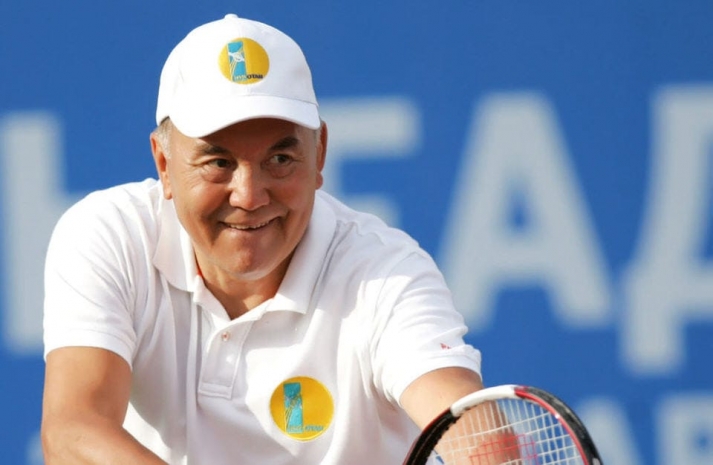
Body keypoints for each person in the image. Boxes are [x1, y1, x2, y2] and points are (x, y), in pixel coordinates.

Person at [41, 13, 484, 465]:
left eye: (280, 159)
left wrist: (490, 452)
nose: (249, 196)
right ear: (164, 164)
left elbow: (474, 432)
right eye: (218, 163)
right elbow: (73, 433)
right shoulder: (110, 234)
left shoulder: (388, 272)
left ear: (319, 155)